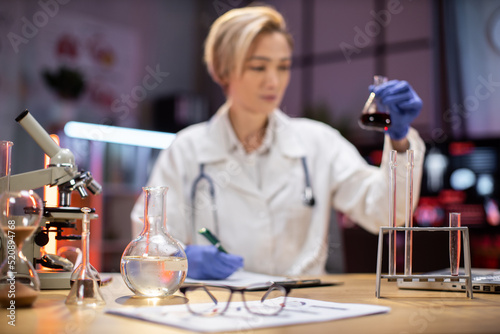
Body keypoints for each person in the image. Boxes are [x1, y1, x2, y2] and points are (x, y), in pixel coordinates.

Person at [131, 5, 425, 279]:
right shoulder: (186, 150)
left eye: (282, 67)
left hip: (307, 307)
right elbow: (149, 242)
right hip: (219, 307)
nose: (273, 81)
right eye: (259, 67)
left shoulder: (318, 142)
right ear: (222, 70)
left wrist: (399, 141)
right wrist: (181, 259)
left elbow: (385, 213)